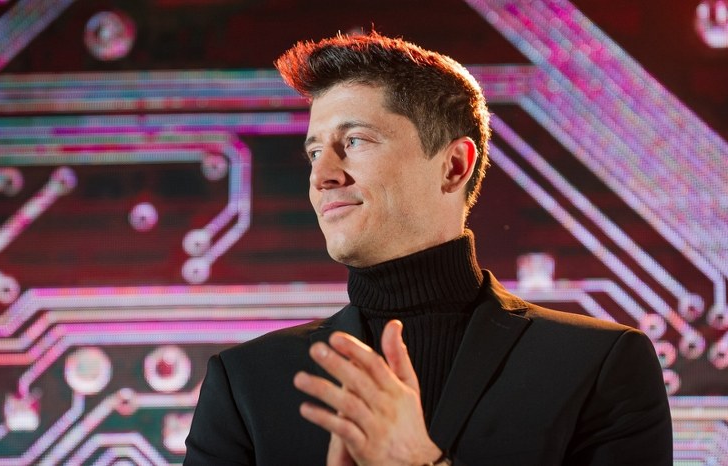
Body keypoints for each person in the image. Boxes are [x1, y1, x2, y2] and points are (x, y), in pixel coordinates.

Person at [183, 32, 672, 466]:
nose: (321, 175)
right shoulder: (246, 383)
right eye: (314, 151)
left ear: (454, 166)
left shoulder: (598, 365)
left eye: (355, 141)